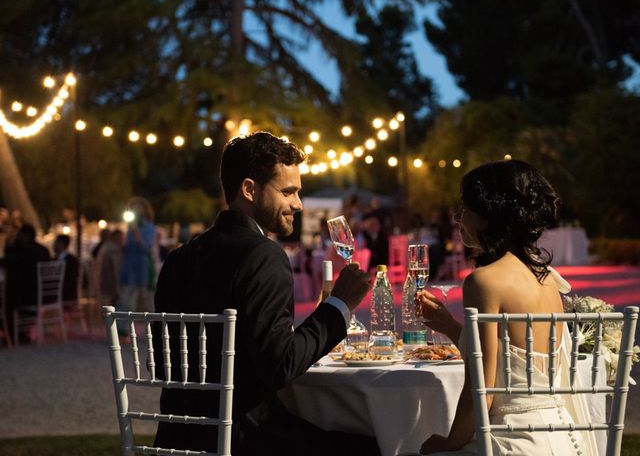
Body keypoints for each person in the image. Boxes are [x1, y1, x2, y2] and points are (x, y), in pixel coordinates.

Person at [153, 132, 377, 455]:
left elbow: (162, 363)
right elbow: (279, 366)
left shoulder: (178, 259)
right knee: (372, 445)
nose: (297, 204)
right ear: (249, 189)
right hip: (243, 440)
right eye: (288, 192)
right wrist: (338, 305)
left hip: (177, 439)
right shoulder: (262, 255)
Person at [416, 160, 597, 455]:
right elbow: (516, 365)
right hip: (564, 439)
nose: (457, 217)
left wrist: (446, 445)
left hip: (511, 441)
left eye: (465, 207)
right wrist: (450, 326)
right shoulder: (549, 280)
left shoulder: (483, 282)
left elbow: (482, 393)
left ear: (490, 214)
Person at [0, 224, 50, 340]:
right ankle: (19, 333)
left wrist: (11, 244)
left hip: (25, 297)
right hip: (43, 294)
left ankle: (12, 335)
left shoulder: (21, 251)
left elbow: (6, 261)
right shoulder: (43, 250)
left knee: (6, 301)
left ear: (25, 236)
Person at [117, 197, 157, 329]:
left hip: (143, 267)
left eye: (138, 208)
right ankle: (123, 329)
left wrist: (135, 231)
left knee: (147, 300)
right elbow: (127, 246)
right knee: (127, 299)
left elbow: (146, 247)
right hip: (129, 266)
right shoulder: (129, 228)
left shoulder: (149, 227)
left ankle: (154, 328)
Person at [53, 234, 79, 304]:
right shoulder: (54, 259)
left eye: (55, 243)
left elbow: (71, 279)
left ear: (61, 244)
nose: (53, 245)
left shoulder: (72, 260)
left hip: (67, 293)